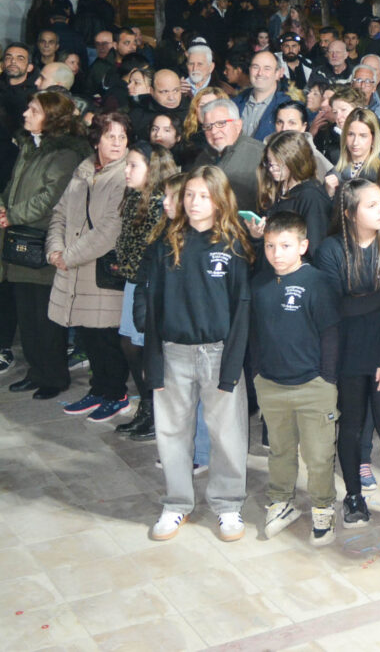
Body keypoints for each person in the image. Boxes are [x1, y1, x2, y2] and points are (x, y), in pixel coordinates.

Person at [138, 167, 254, 542]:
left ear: (220, 200)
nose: (194, 202)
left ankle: (228, 504)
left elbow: (242, 309)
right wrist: (153, 357)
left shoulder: (234, 246)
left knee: (227, 433)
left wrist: (232, 365)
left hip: (219, 353)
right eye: (189, 194)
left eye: (204, 195)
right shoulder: (166, 244)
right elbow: (152, 304)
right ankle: (176, 503)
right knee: (172, 431)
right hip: (174, 352)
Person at [318, 179, 380, 530]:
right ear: (349, 213)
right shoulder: (331, 250)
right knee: (352, 427)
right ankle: (353, 496)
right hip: (348, 355)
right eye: (370, 205)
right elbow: (334, 307)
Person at [250, 211, 341, 545]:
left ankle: (323, 507)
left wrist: (327, 379)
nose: (277, 253)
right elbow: (255, 333)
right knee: (279, 449)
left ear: (303, 246)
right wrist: (257, 373)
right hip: (271, 384)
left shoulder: (317, 282)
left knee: (318, 455)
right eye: (270, 246)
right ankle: (280, 500)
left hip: (313, 386)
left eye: (286, 245)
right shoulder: (260, 284)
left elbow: (331, 333)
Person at [4, 92, 91, 401]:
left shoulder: (66, 153)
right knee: (27, 314)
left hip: (44, 240)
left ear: (52, 118)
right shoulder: (30, 145)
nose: (25, 114)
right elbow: (14, 185)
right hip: (20, 239)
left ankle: (54, 376)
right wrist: (5, 207)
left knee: (46, 316)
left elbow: (50, 197)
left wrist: (11, 215)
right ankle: (36, 371)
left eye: (34, 110)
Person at [49, 111, 133, 421]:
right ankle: (99, 389)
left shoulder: (125, 175)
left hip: (101, 272)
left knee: (106, 337)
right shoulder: (83, 170)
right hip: (74, 268)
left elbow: (110, 230)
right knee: (88, 335)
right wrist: (54, 249)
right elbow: (59, 214)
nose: (117, 143)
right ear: (96, 140)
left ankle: (116, 394)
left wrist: (67, 257)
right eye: (111, 136)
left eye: (122, 137)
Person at [112, 143, 177, 441]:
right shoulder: (134, 199)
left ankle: (155, 412)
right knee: (129, 343)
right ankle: (147, 407)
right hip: (133, 280)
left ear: (152, 170)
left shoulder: (162, 205)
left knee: (143, 347)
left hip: (149, 285)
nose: (126, 171)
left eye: (133, 165)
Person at [255, 131, 332, 253]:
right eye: (269, 162)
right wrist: (255, 235)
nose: (272, 169)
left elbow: (315, 249)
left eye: (279, 164)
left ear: (295, 161)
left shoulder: (312, 196)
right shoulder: (273, 189)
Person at [191, 97, 265, 213]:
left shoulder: (259, 154)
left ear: (238, 125)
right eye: (208, 127)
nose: (214, 131)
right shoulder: (202, 157)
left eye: (221, 123)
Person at [236, 50, 291, 141]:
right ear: (249, 70)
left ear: (279, 73)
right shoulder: (234, 103)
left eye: (267, 68)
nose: (260, 73)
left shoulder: (288, 107)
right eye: (255, 67)